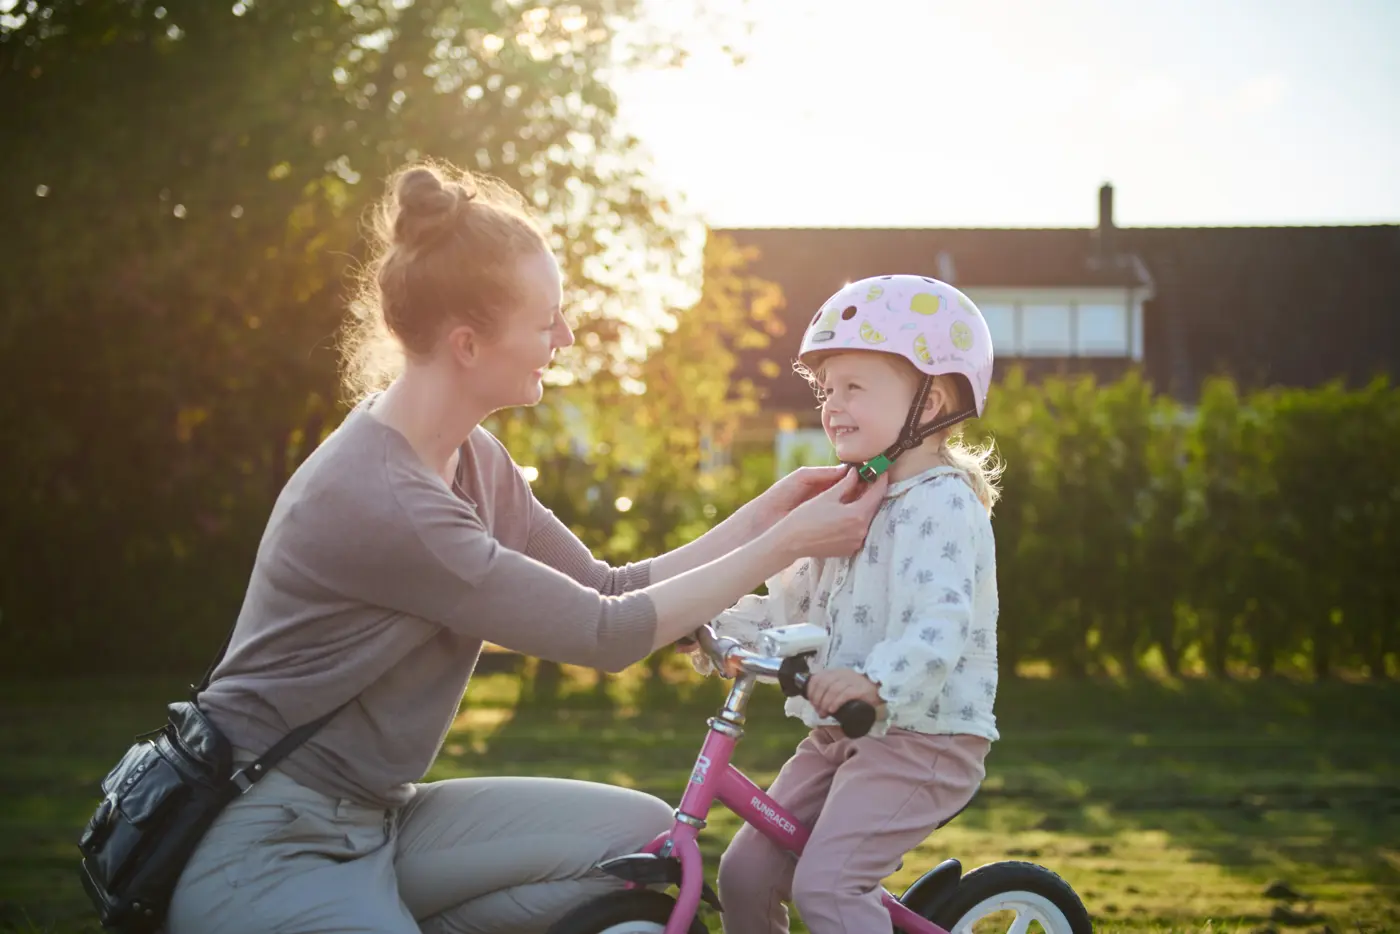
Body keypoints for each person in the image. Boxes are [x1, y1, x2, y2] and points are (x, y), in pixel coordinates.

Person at [165, 161, 889, 934]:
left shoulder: (474, 460)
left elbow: (609, 589)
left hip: (380, 821)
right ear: (468, 344)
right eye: (546, 321)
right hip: (270, 842)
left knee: (639, 842)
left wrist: (766, 513)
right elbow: (604, 637)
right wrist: (785, 544)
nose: (567, 337)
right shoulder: (384, 498)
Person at [686, 274, 1003, 934]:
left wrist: (875, 681)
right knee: (745, 874)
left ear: (933, 397)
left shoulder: (943, 505)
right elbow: (793, 606)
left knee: (828, 887)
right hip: (841, 736)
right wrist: (711, 622)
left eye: (854, 386)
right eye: (826, 389)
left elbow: (938, 627)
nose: (832, 404)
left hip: (924, 739)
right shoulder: (850, 498)